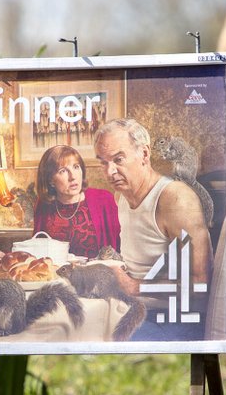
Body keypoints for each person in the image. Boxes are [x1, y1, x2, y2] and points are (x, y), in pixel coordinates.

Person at [93, 118, 213, 341]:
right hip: (137, 311)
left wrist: (134, 286)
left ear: (145, 154)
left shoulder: (175, 199)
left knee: (94, 338)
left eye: (118, 159)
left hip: (174, 320)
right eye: (103, 162)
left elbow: (199, 283)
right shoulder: (123, 196)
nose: (110, 172)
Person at [32, 144, 120, 258]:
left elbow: (121, 247)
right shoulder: (44, 205)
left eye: (76, 167)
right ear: (50, 180)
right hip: (57, 274)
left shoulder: (104, 200)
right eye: (63, 171)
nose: (73, 176)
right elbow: (37, 249)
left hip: (97, 274)